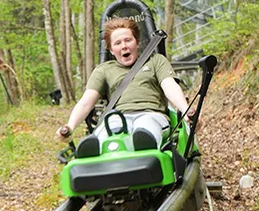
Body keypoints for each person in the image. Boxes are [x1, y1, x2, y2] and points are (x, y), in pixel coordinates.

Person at [56, 17, 191, 152]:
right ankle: (93, 152)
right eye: (118, 43)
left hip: (151, 114)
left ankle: (145, 150)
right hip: (117, 117)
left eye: (128, 40)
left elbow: (170, 87)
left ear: (137, 42)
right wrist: (70, 126)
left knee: (145, 128)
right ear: (111, 50)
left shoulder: (156, 61)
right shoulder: (104, 70)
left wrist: (186, 110)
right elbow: (86, 102)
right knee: (109, 132)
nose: (124, 46)